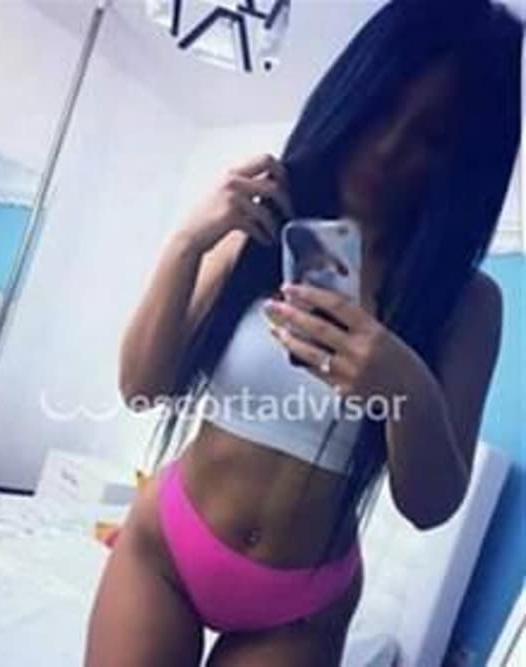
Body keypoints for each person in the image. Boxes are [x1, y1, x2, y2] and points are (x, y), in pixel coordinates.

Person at [85, 1, 522, 665]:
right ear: (354, 91)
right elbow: (141, 388)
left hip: (300, 606)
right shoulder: (261, 227)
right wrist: (187, 244)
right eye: (383, 107)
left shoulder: (465, 305)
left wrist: (403, 385)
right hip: (167, 550)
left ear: (467, 160)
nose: (388, 148)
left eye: (432, 137)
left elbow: (430, 506)